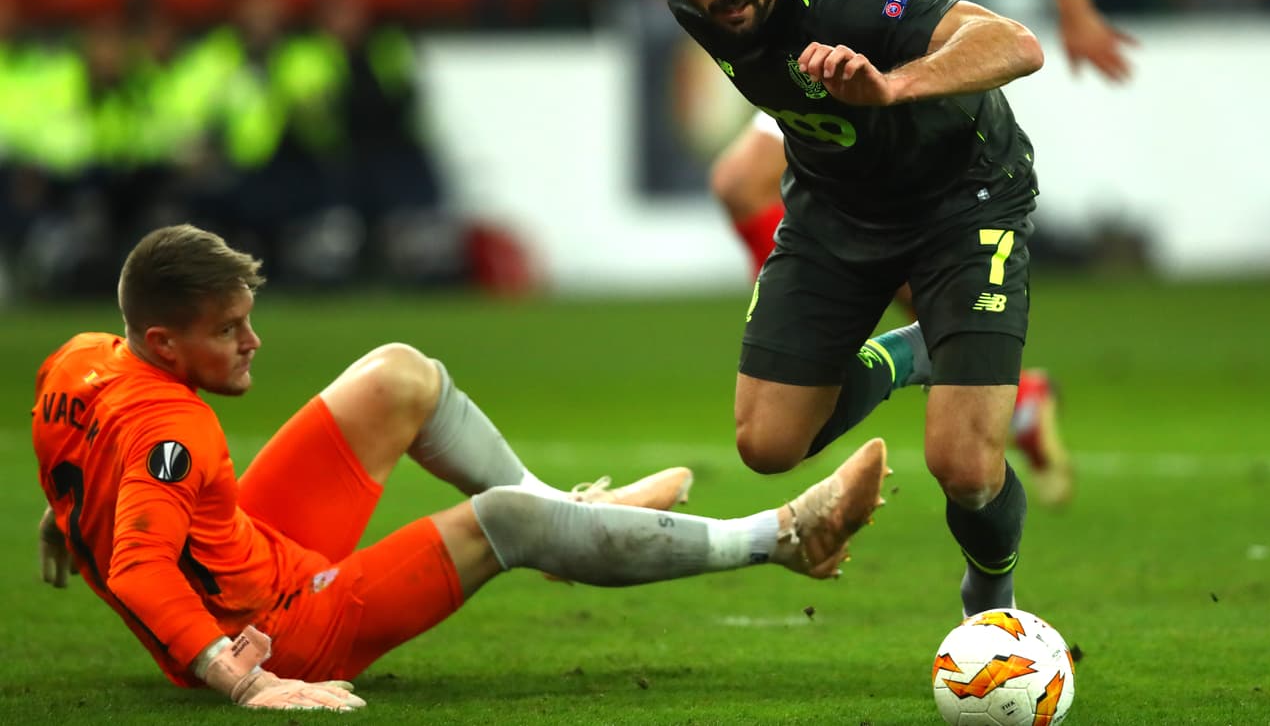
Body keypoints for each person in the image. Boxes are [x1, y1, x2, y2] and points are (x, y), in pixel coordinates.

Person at [32, 223, 891, 711]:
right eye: (227, 331)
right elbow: (145, 567)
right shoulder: (172, 429)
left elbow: (86, 459)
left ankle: (571, 517)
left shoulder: (79, 362)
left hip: (247, 545)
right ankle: (782, 537)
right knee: (508, 526)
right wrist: (247, 679)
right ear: (161, 342)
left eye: (245, 319)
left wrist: (71, 517)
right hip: (282, 629)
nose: (252, 341)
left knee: (400, 375)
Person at [626, 0, 1121, 508]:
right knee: (768, 425)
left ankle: (944, 351)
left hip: (890, 40)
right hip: (816, 77)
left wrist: (1075, 9)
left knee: (746, 180)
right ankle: (931, 349)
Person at [649, 0, 1047, 617]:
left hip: (962, 197)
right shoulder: (690, 3)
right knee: (766, 445)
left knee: (964, 466)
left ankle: (991, 599)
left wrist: (895, 86)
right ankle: (916, 353)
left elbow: (1017, 43)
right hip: (835, 205)